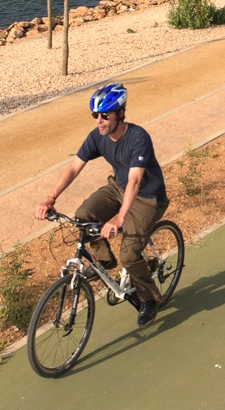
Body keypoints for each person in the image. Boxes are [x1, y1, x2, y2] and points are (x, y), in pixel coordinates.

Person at [35, 83, 169, 328]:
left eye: (105, 115)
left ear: (120, 113)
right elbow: (74, 167)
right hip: (119, 188)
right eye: (95, 115)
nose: (99, 120)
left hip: (148, 197)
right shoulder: (98, 136)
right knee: (84, 215)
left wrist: (119, 218)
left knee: (129, 254)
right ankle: (105, 261)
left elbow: (135, 180)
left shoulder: (138, 137)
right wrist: (50, 198)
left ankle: (149, 299)